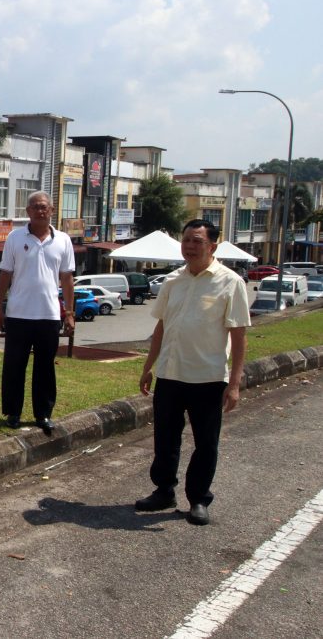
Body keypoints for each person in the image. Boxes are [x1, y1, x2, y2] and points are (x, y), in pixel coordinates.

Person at [135, 219, 250, 526]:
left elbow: (238, 336)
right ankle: (163, 491)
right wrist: (149, 367)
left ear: (212, 246)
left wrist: (235, 383)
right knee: (165, 438)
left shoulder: (230, 282)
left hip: (208, 378)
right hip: (170, 373)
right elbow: (161, 327)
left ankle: (198, 499)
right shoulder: (173, 280)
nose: (189, 246)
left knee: (205, 442)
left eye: (197, 241)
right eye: (186, 240)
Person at [0, 191, 76, 433]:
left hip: (49, 315)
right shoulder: (15, 238)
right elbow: (5, 274)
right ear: (28, 211)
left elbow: (67, 278)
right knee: (14, 366)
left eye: (44, 207)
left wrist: (69, 312)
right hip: (19, 314)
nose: (40, 211)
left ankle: (43, 414)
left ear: (52, 210)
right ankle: (13, 413)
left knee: (45, 368)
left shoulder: (63, 240)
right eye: (35, 207)